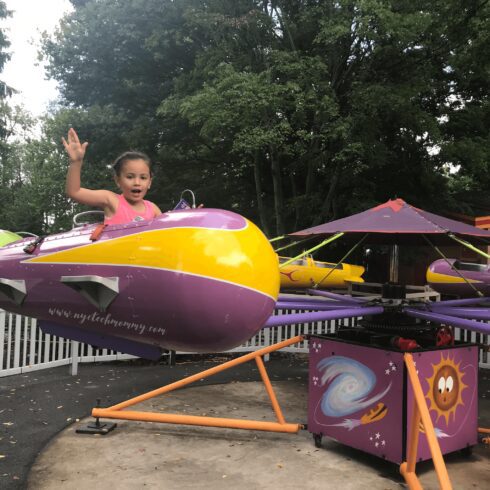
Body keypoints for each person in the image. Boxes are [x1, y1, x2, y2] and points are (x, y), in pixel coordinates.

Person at [63, 128, 162, 225]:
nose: (137, 182)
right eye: (130, 177)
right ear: (118, 180)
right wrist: (76, 162)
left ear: (149, 182)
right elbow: (74, 192)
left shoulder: (153, 209)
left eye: (143, 178)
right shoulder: (111, 200)